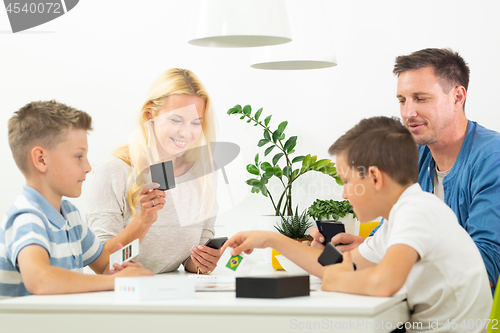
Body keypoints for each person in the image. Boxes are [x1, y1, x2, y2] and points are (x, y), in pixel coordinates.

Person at [223, 117, 492, 332]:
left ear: (374, 177)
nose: (344, 194)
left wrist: (335, 281)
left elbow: (382, 282)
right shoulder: (395, 220)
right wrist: (271, 239)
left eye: (347, 181)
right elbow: (340, 264)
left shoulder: (418, 211)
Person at [310, 48, 500, 290]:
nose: (408, 113)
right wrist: (356, 249)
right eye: (402, 100)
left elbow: (484, 269)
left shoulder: (492, 158)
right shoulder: (414, 155)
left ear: (457, 97)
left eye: (421, 98)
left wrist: (389, 266)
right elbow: (387, 232)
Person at [1, 101, 153, 297]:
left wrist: (121, 270)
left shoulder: (70, 216)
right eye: (79, 156)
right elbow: (40, 280)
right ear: (41, 159)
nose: (88, 167)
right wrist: (113, 281)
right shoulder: (27, 218)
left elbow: (103, 263)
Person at [86, 68, 222, 274]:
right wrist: (143, 221)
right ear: (150, 115)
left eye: (196, 123)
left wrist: (204, 260)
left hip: (174, 294)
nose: (186, 132)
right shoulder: (115, 170)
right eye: (176, 120)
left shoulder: (204, 173)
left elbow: (191, 260)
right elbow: (102, 264)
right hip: (119, 294)